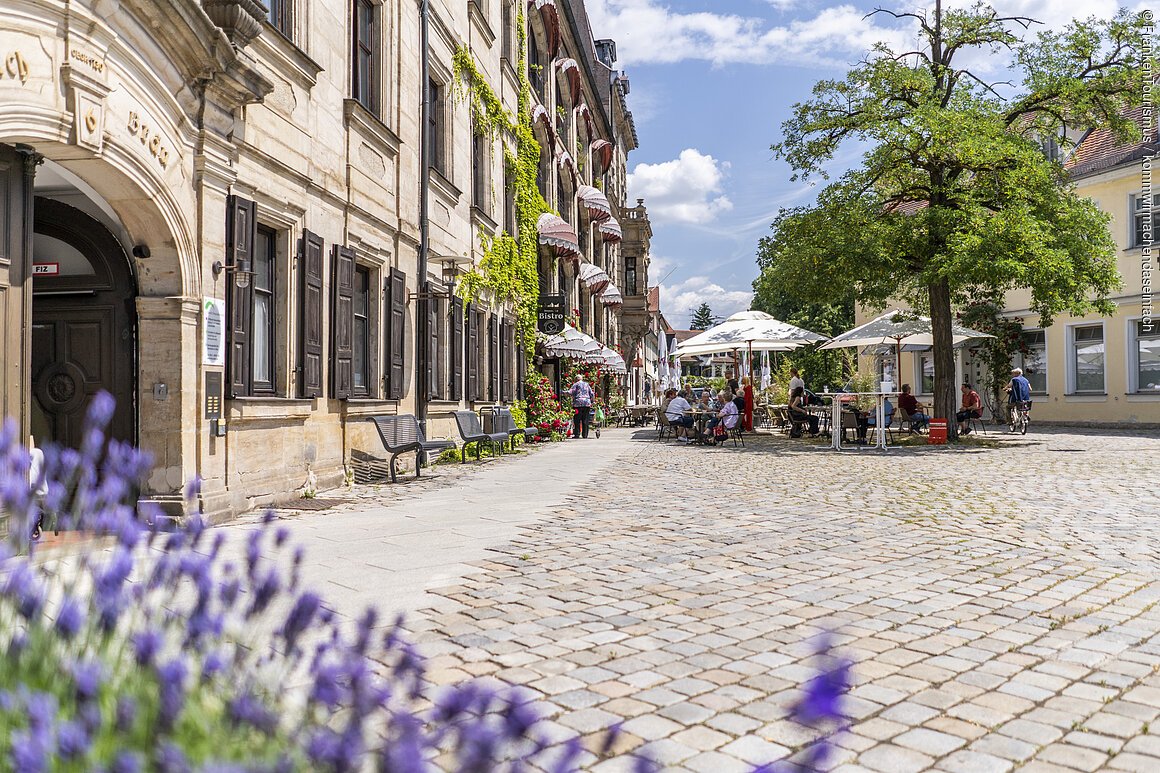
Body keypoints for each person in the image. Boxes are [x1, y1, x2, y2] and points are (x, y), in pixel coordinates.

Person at [569, 373, 595, 439]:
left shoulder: (576, 384)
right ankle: (585, 435)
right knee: (585, 419)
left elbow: (571, 392)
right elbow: (591, 393)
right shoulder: (586, 384)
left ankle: (577, 434)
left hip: (578, 403)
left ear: (576, 379)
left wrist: (562, 392)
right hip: (587, 403)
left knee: (577, 419)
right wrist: (592, 401)